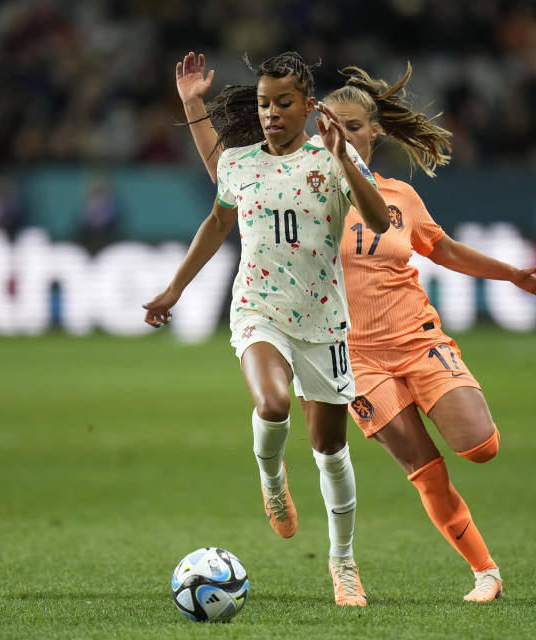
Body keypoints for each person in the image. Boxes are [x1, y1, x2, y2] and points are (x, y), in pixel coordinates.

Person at [174, 52, 536, 603]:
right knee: (424, 470)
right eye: (331, 125)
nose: (341, 134)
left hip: (417, 339)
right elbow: (228, 178)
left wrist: (512, 276)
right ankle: (486, 573)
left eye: (353, 126)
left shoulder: (399, 196)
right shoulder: (307, 179)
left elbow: (445, 249)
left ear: (373, 133)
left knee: (481, 447)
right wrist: (194, 107)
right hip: (352, 353)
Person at [144, 51, 391, 607]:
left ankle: (343, 563)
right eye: (263, 103)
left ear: (309, 105)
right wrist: (175, 288)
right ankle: (273, 480)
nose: (271, 113)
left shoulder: (333, 158)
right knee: (273, 403)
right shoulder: (241, 163)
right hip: (258, 310)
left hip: (323, 321)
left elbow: (377, 221)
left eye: (283, 103)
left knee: (330, 450)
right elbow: (216, 221)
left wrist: (344, 160)